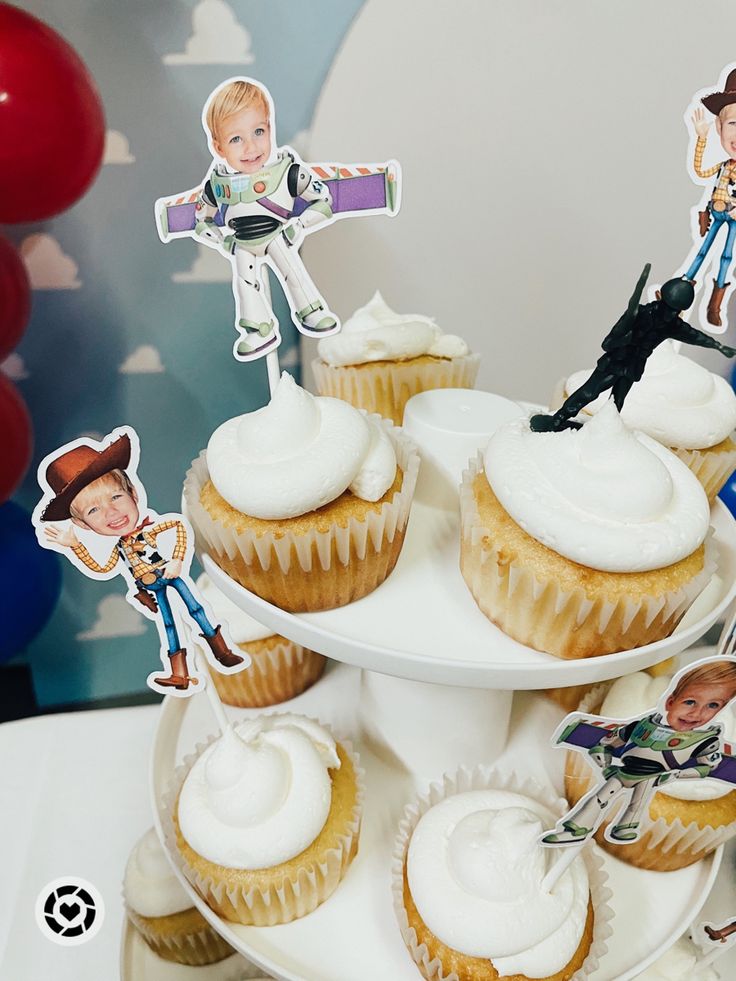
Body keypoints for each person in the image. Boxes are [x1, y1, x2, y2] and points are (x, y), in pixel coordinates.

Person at [38, 431, 244, 692]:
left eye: (115, 497)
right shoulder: (120, 548)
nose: (111, 512)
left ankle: (222, 652)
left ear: (133, 494)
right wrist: (76, 546)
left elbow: (179, 527)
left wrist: (177, 561)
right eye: (93, 510)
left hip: (169, 574)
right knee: (168, 623)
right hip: (150, 587)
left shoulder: (150, 529)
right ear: (82, 524)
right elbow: (101, 567)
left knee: (195, 609)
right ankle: (179, 672)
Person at [178, 78, 338, 360]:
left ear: (270, 128)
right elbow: (202, 220)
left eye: (258, 131)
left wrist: (299, 225)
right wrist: (221, 240)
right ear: (218, 147)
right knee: (245, 283)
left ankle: (310, 310)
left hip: (278, 235)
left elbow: (323, 202)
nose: (250, 147)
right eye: (236, 139)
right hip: (241, 242)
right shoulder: (217, 185)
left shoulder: (288, 172)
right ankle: (257, 328)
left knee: (293, 272)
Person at [543, 659, 736, 846]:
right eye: (690, 702)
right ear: (670, 702)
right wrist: (602, 754)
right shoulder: (644, 724)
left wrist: (677, 774)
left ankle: (626, 828)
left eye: (713, 705)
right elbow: (610, 740)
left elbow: (706, 768)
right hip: (623, 770)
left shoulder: (704, 741)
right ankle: (576, 829)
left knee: (637, 805)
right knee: (600, 797)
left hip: (653, 778)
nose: (697, 712)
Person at [530, 265, 736, 432]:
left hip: (634, 366)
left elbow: (694, 336)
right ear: (661, 299)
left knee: (616, 402)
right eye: (669, 308)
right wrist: (622, 339)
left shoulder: (673, 325)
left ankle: (603, 431)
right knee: (589, 392)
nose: (670, 314)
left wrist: (718, 346)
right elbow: (608, 342)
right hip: (615, 361)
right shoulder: (640, 314)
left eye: (675, 310)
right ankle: (558, 420)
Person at [683, 69, 736, 327]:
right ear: (719, 126)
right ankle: (680, 296)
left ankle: (715, 305)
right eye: (733, 124)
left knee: (727, 256)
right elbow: (701, 171)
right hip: (717, 212)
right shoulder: (724, 165)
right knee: (703, 252)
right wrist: (701, 139)